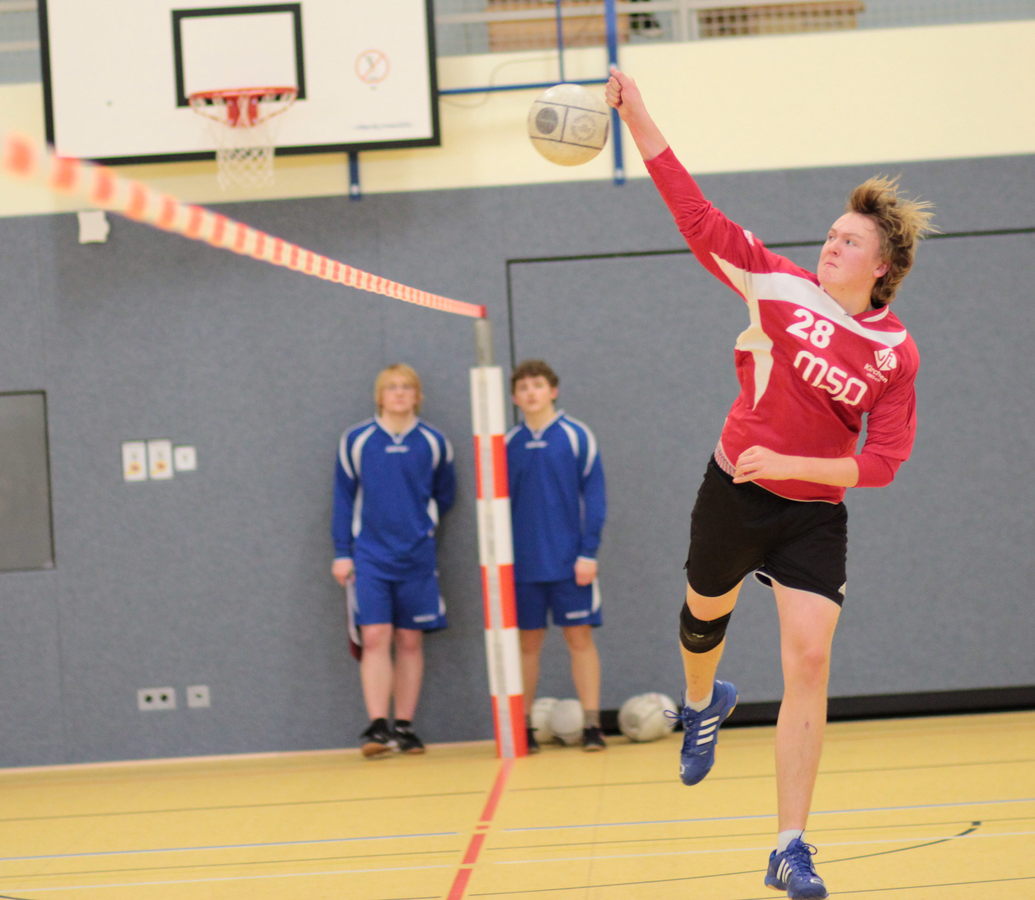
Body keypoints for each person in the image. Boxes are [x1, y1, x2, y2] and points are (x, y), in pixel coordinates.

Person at [605, 67, 935, 899]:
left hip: (811, 514)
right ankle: (701, 703)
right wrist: (638, 114)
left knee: (809, 660)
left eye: (848, 241)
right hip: (734, 492)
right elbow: (695, 213)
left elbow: (883, 463)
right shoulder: (776, 286)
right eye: (830, 233)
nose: (830, 245)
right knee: (702, 616)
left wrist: (794, 467)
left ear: (881, 265)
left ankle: (789, 847)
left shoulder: (894, 354)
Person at [331, 364, 456, 759]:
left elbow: (446, 494)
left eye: (406, 387)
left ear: (418, 396)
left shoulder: (434, 442)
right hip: (370, 555)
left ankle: (404, 726)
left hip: (417, 556)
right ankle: (378, 726)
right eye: (391, 388)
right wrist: (342, 552)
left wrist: (424, 526)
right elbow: (343, 498)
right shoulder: (357, 440)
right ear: (379, 396)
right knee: (374, 637)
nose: (399, 393)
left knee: (409, 640)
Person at [506, 359, 607, 752]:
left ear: (553, 391)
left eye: (537, 385)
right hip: (523, 566)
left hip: (570, 563)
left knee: (579, 638)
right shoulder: (507, 444)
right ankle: (524, 726)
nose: (531, 392)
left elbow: (594, 498)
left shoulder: (576, 436)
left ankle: (592, 724)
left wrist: (588, 553)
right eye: (523, 387)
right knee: (527, 644)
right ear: (515, 398)